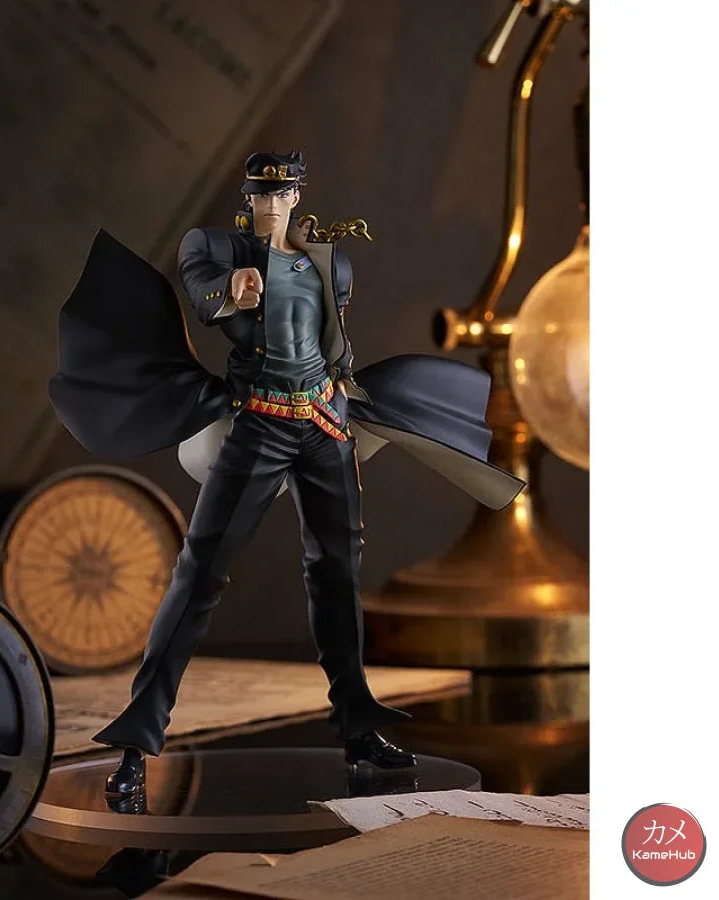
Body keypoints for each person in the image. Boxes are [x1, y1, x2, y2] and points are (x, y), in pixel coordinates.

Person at [48, 151, 524, 801]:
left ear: (297, 197)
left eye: (282, 195)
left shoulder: (329, 261)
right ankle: (136, 741)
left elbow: (333, 342)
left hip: (324, 425)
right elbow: (204, 295)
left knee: (337, 576)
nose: (271, 205)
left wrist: (346, 398)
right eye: (261, 195)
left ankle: (360, 729)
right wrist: (231, 291)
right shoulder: (214, 248)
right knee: (200, 572)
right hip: (261, 423)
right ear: (248, 199)